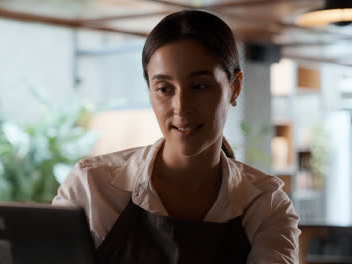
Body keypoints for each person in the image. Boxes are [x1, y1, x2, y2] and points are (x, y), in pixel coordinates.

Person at [53, 9, 300, 264]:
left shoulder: (265, 205)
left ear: (234, 87)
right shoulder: (92, 189)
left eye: (199, 86)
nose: (181, 107)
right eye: (164, 89)